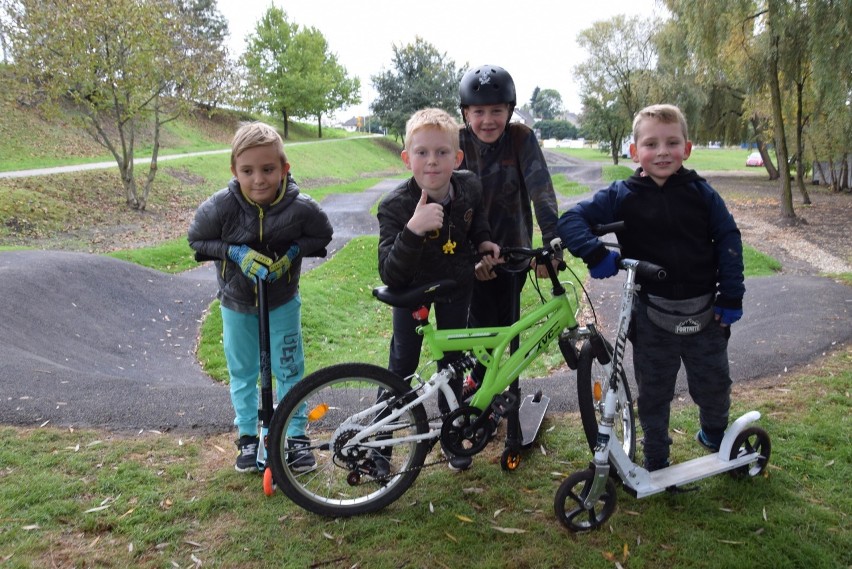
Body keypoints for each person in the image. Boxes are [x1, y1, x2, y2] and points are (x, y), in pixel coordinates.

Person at [557, 103, 745, 471]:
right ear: (634, 151)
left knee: (713, 387)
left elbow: (728, 240)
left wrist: (732, 295)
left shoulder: (702, 195)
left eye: (672, 143)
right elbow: (572, 219)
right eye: (651, 144)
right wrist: (595, 254)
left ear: (687, 149)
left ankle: (714, 433)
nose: (662, 152)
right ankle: (657, 455)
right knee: (654, 394)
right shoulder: (621, 195)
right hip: (651, 317)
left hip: (706, 315)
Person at [188, 121, 333, 473]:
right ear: (234, 170)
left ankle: (295, 437)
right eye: (248, 171)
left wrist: (293, 252)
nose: (259, 180)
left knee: (289, 368)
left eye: (268, 169)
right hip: (237, 302)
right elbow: (197, 240)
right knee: (243, 370)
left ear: (284, 168)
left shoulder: (301, 207)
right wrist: (236, 253)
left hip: (281, 300)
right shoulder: (222, 206)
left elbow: (323, 235)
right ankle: (248, 437)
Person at [377, 108, 500, 471]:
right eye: (422, 153)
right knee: (401, 366)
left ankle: (452, 434)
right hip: (412, 293)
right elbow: (390, 272)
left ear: (457, 157)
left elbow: (477, 220)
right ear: (406, 158)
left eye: (442, 152)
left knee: (453, 363)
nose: (432, 161)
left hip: (454, 287)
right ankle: (379, 448)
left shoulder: (469, 186)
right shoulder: (395, 206)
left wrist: (484, 242)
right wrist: (413, 231)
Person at [457, 64, 562, 396]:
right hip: (471, 256)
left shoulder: (520, 139)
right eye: (479, 112)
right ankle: (481, 387)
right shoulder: (456, 143)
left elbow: (541, 189)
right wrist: (470, 256)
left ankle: (502, 396)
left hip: (514, 252)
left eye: (497, 111)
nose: (488, 120)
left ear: (510, 111)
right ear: (465, 113)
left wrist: (552, 243)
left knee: (507, 328)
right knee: (481, 328)